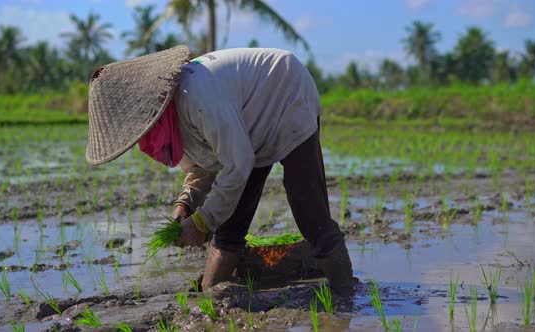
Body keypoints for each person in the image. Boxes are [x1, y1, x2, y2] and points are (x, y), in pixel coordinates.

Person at [85, 45, 354, 296]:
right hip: (248, 127)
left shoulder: (198, 98)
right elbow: (203, 165)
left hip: (285, 92)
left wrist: (202, 223)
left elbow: (237, 165)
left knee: (308, 210)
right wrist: (186, 206)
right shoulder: (166, 122)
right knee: (229, 226)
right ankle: (214, 291)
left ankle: (345, 295)